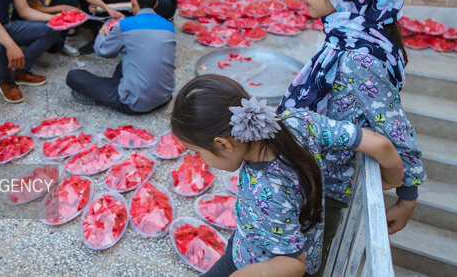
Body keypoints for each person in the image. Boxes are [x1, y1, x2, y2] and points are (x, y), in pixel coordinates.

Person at [278, 0, 426, 274]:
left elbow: (396, 128)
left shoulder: (359, 55)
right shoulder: (345, 32)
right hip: (313, 174)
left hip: (324, 188)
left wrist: (408, 196)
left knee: (304, 264)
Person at [171, 75, 404, 277]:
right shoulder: (298, 121)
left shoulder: (265, 191)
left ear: (223, 144)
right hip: (267, 241)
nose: (201, 159)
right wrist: (394, 180)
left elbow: (293, 264)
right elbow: (380, 144)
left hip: (256, 261)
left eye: (198, 152)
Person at [66, 0, 175, 114]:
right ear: (156, 4)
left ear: (132, 1)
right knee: (132, 57)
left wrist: (101, 33)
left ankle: (108, 96)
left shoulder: (125, 26)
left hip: (133, 104)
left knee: (74, 76)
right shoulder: (169, 26)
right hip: (164, 97)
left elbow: (103, 51)